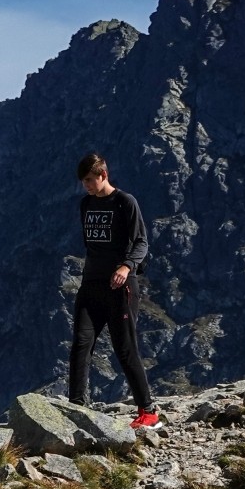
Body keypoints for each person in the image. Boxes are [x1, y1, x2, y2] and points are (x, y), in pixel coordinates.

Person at [69, 152, 161, 430]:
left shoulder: (124, 202)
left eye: (89, 180)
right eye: (82, 181)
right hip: (91, 285)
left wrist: (126, 267)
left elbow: (142, 242)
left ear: (103, 175)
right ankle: (76, 406)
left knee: (125, 348)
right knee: (81, 344)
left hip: (120, 287)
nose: (85, 185)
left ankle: (149, 411)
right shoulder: (85, 204)